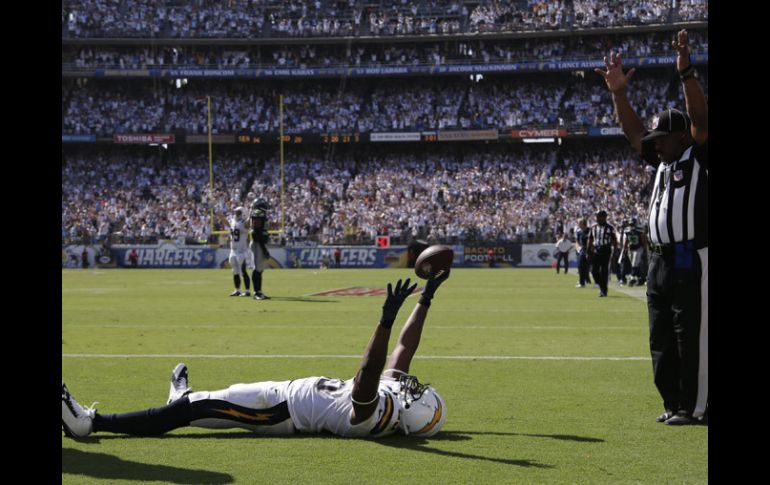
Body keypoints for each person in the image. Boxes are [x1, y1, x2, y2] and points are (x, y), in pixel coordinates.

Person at [62, 273, 451, 439]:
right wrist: (427, 298)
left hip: (279, 412)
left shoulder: (374, 417)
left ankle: (92, 424)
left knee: (195, 410)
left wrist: (384, 319)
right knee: (206, 406)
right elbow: (405, 350)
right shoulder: (396, 404)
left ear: (413, 414)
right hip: (283, 395)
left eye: (418, 395)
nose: (412, 387)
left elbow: (368, 372)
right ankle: (180, 401)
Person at [595, 29, 707, 425]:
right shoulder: (661, 162)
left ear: (682, 137)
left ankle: (696, 407)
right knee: (660, 336)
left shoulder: (697, 156)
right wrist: (619, 93)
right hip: (659, 262)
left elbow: (700, 119)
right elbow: (633, 133)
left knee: (690, 336)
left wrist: (687, 72)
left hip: (691, 256)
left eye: (664, 138)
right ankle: (673, 403)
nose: (655, 144)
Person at [587, 210, 617, 297]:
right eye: (596, 216)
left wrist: (615, 252)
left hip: (606, 250)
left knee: (604, 271)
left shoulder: (610, 228)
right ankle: (601, 286)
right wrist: (588, 251)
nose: (597, 218)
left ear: (604, 217)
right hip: (596, 250)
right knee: (594, 270)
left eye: (599, 216)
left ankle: (603, 290)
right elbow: (590, 240)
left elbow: (614, 241)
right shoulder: (594, 228)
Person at [228, 206, 253, 297]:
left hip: (242, 251)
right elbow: (227, 223)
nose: (236, 214)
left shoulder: (244, 222)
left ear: (242, 213)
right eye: (236, 212)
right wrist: (218, 213)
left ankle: (247, 291)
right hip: (233, 250)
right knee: (235, 271)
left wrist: (250, 214)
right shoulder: (233, 221)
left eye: (238, 212)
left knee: (243, 271)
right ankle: (237, 290)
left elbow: (248, 223)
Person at [249, 198, 271, 300]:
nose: (265, 206)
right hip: (258, 244)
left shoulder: (258, 213)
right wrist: (264, 249)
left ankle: (259, 292)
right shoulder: (258, 213)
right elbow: (256, 232)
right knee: (257, 269)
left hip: (259, 243)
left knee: (260, 269)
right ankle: (257, 293)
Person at [574, 219, 592, 288]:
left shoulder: (590, 231)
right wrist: (578, 248)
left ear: (583, 223)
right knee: (580, 267)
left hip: (590, 251)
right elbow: (577, 241)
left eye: (579, 223)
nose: (578, 224)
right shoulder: (579, 232)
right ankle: (582, 283)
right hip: (582, 251)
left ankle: (598, 282)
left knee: (592, 267)